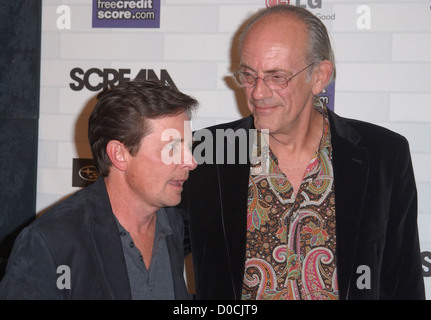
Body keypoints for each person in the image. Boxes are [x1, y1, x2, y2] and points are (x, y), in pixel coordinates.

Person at [181, 4, 425, 300]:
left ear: (320, 76)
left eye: (276, 77)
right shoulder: (207, 152)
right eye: (248, 75)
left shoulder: (384, 155)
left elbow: (403, 282)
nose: (258, 93)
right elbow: (149, 249)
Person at [0, 79, 198, 299]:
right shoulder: (51, 241)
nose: (190, 162)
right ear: (119, 155)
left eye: (188, 147)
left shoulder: (172, 224)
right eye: (172, 148)